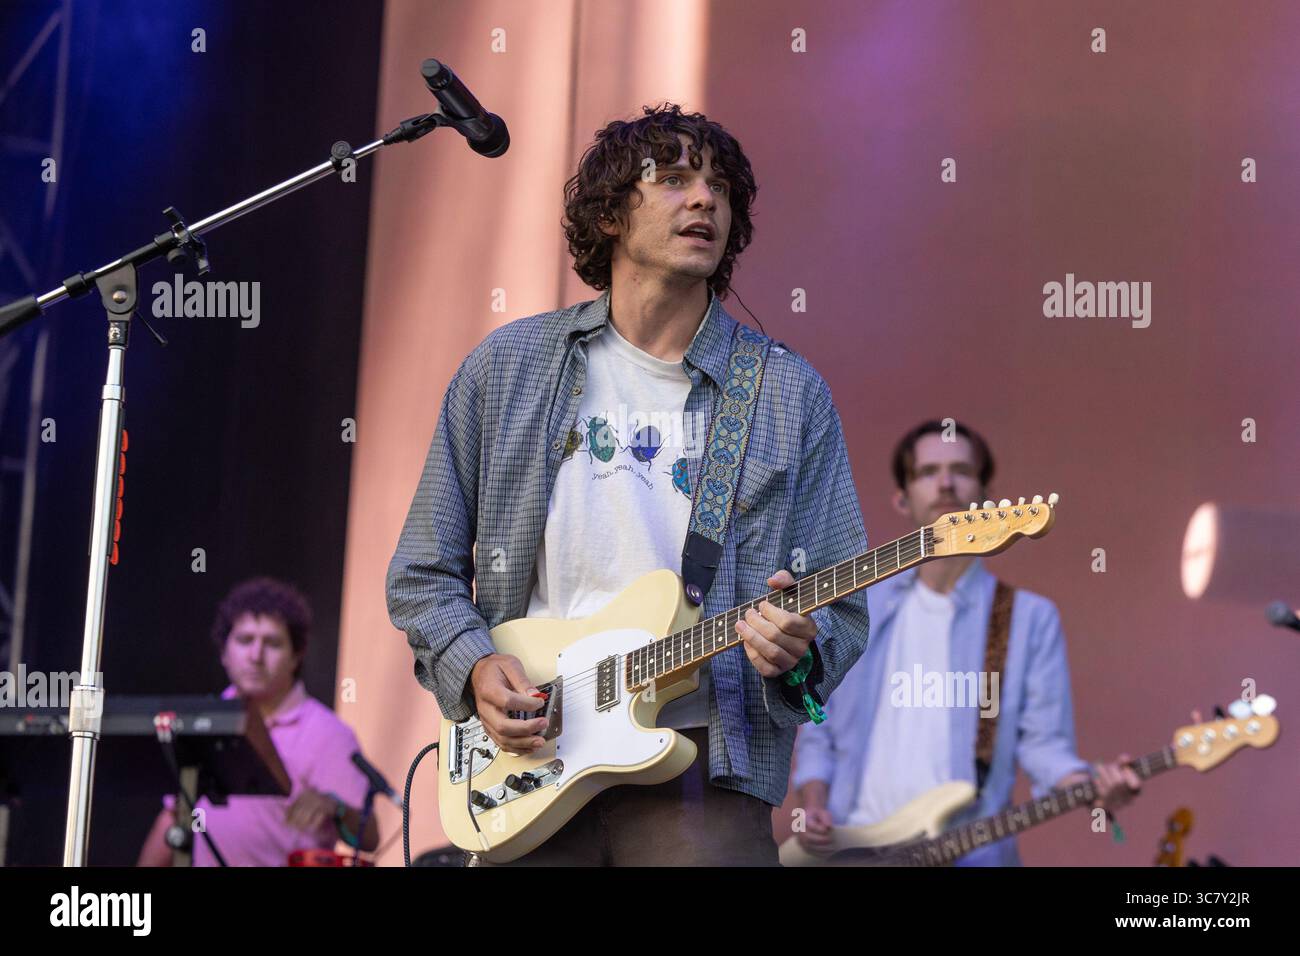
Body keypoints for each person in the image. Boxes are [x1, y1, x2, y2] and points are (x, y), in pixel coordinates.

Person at [387, 103, 871, 865]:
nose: (705, 199)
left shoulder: (784, 392)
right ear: (611, 213)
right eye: (674, 180)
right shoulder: (506, 368)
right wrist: (476, 666)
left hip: (702, 768)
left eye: (719, 187)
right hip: (530, 762)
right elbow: (421, 572)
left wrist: (797, 653)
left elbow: (840, 608)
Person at [792, 420, 1141, 865]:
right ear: (902, 498)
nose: (944, 483)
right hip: (851, 852)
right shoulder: (860, 606)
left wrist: (1092, 789)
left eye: (960, 469)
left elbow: (1045, 747)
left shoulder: (1026, 619)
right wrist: (815, 804)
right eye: (926, 472)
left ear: (985, 494)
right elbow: (819, 726)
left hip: (967, 853)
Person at [137, 577, 378, 866]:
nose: (255, 655)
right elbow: (174, 816)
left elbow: (369, 838)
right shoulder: (206, 720)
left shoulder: (329, 734)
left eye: (272, 643)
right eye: (245, 640)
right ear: (224, 653)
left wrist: (336, 808)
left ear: (296, 656)